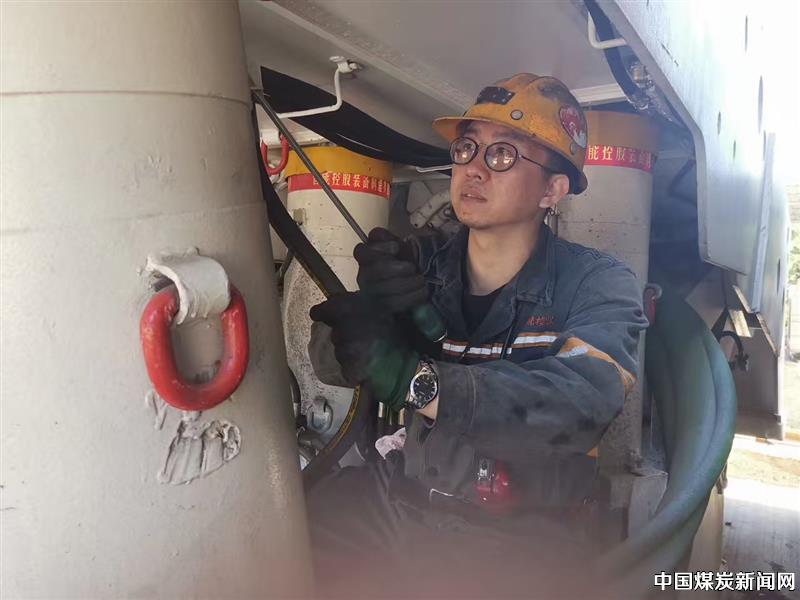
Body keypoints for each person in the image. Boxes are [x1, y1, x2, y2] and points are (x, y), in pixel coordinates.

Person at [305, 73, 649, 598]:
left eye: (503, 154)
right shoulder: (420, 264)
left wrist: (414, 381)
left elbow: (580, 404)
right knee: (278, 537)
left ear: (552, 190)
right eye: (466, 149)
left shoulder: (596, 283)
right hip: (401, 502)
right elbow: (329, 364)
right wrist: (370, 313)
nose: (474, 168)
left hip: (526, 532)